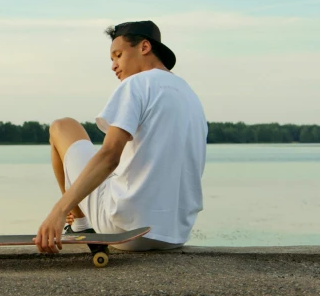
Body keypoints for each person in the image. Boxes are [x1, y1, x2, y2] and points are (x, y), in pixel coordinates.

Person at [34, 20, 207, 254]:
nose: (114, 65)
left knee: (62, 127)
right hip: (175, 234)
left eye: (118, 55)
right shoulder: (190, 95)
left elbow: (109, 156)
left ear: (144, 47)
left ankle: (80, 224)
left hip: (126, 230)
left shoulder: (137, 84)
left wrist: (59, 211)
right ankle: (83, 221)